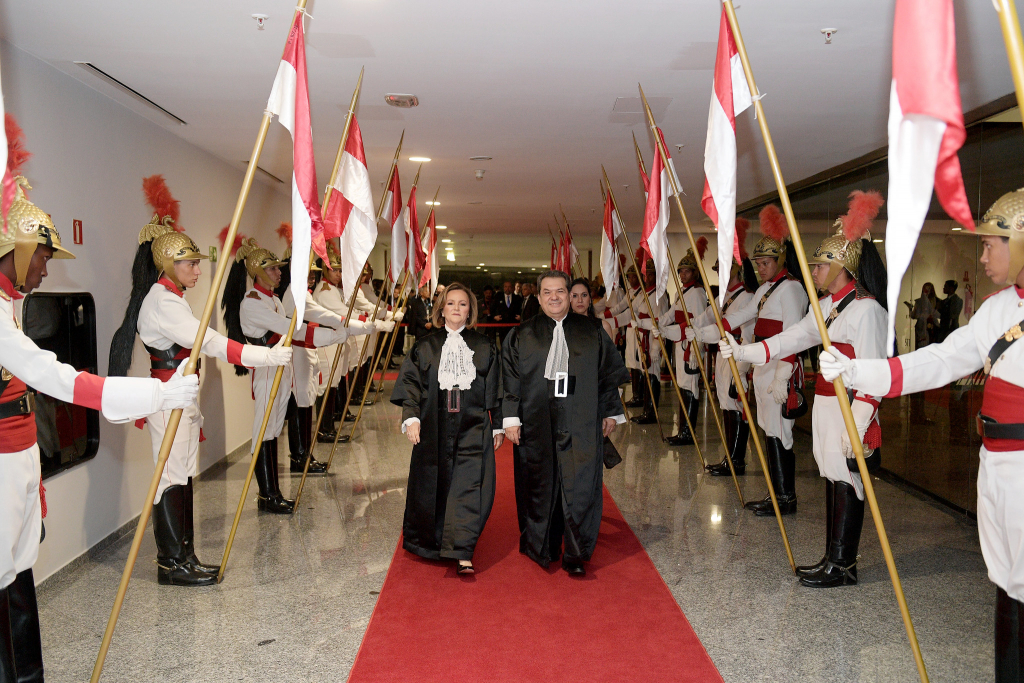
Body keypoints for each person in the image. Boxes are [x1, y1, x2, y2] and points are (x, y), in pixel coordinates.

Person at [0, 151, 198, 680]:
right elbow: (59, 379)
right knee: (4, 582)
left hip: (19, 462)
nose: (46, 266)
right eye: (42, 255)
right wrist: (156, 397)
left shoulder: (11, 305)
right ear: (14, 250)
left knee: (18, 576)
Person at [819, 188, 1024, 677]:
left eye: (992, 242)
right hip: (994, 463)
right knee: (1008, 581)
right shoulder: (997, 310)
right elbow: (939, 360)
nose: (982, 253)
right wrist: (859, 371)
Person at [109, 183, 292, 585]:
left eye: (196, 261)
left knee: (182, 474)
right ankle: (171, 562)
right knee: (171, 477)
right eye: (190, 262)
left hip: (181, 397)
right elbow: (206, 341)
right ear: (168, 265)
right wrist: (262, 355)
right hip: (169, 399)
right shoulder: (161, 301)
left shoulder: (172, 298)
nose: (197, 268)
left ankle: (185, 555)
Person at [721, 190, 888, 589]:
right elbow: (792, 339)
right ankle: (833, 556)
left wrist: (860, 422)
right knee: (831, 472)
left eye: (819, 265)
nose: (813, 272)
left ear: (841, 266)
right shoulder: (825, 306)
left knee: (848, 477)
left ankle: (844, 563)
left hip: (853, 405)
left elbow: (875, 373)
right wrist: (744, 349)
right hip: (828, 402)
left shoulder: (867, 310)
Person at [221, 238, 364, 513]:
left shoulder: (272, 299)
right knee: (264, 429)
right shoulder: (252, 303)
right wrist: (331, 336)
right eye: (273, 269)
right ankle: (267, 494)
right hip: (266, 369)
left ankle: (273, 491)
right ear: (258, 272)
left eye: (278, 268)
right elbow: (292, 331)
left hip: (280, 367)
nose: (278, 273)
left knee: (274, 429)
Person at [502, 270, 630, 576]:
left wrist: (611, 412)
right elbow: (510, 380)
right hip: (536, 419)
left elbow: (607, 376)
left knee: (580, 483)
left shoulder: (592, 331)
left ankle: (576, 551)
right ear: (538, 296)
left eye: (561, 291)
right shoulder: (522, 334)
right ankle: (541, 544)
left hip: (581, 416)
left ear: (569, 294)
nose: (555, 297)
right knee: (539, 482)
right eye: (547, 292)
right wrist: (510, 417)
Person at [692, 205, 808, 515]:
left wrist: (784, 375)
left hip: (779, 370)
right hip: (761, 366)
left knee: (780, 433)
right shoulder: (766, 290)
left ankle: (785, 498)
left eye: (766, 262)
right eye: (757, 263)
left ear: (779, 261)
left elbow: (795, 335)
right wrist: (707, 333)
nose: (760, 268)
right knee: (768, 429)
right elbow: (742, 315)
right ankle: (776, 494)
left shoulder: (793, 289)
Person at [391, 283, 503, 574]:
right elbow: (411, 384)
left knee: (468, 486)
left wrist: (498, 425)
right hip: (433, 423)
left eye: (463, 304)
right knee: (434, 484)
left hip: (473, 424)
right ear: (441, 308)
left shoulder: (484, 345)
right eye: (451, 303)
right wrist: (411, 417)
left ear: (470, 310)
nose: (456, 308)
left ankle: (463, 550)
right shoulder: (425, 345)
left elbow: (496, 387)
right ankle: (432, 543)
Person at [675, 222, 757, 473]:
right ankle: (729, 458)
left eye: (723, 268)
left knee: (735, 405)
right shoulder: (722, 297)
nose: (719, 272)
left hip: (738, 358)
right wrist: (692, 329)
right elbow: (706, 318)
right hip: (723, 356)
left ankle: (737, 460)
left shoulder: (748, 297)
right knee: (724, 404)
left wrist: (742, 371)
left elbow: (748, 337)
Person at [282, 260, 351, 473]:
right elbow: (318, 314)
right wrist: (350, 323)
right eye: (308, 271)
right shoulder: (296, 292)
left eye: (314, 272)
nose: (312, 276)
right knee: (302, 400)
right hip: (298, 349)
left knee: (308, 398)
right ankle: (299, 455)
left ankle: (305, 453)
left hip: (308, 348)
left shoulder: (306, 291)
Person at [654, 240, 708, 446]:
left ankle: (688, 431)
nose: (683, 275)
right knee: (682, 385)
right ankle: (683, 428)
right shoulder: (681, 292)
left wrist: (697, 350)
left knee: (690, 387)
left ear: (695, 272)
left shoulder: (698, 293)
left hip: (690, 346)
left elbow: (700, 322)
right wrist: (659, 323)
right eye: (681, 271)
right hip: (679, 341)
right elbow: (670, 314)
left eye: (687, 271)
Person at [629, 259, 670, 425]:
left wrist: (655, 348)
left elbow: (661, 323)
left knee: (653, 375)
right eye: (646, 274)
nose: (648, 278)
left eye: (652, 274)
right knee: (646, 375)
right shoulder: (645, 293)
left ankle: (651, 412)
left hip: (652, 339)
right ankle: (646, 410)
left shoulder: (660, 296)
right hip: (642, 338)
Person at [905, 282, 939, 349]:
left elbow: (938, 314)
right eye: (925, 289)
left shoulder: (937, 301)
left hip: (932, 328)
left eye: (928, 289)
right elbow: (914, 315)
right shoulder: (920, 302)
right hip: (922, 328)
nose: (926, 291)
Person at [936, 279, 963, 343]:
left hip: (950, 330)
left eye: (945, 286)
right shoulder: (944, 301)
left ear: (951, 288)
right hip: (943, 329)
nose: (944, 288)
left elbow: (952, 315)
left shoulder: (957, 300)